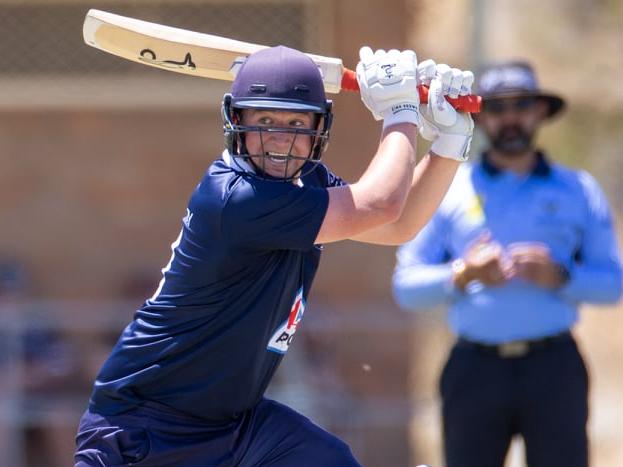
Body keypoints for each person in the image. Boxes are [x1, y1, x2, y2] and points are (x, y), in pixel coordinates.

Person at [74, 44, 475, 466]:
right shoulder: (236, 198)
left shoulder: (305, 184)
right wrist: (401, 109)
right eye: (265, 120)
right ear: (237, 122)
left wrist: (449, 140)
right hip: (145, 427)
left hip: (235, 425)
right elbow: (379, 204)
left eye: (297, 123)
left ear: (319, 128)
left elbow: (397, 223)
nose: (281, 139)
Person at [392, 60, 623, 467]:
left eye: (521, 105)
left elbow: (611, 284)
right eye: (497, 109)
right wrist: (463, 274)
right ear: (479, 119)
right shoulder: (449, 189)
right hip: (474, 369)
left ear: (539, 112)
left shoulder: (578, 188)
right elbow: (405, 286)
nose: (510, 118)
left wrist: (561, 276)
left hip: (554, 367)